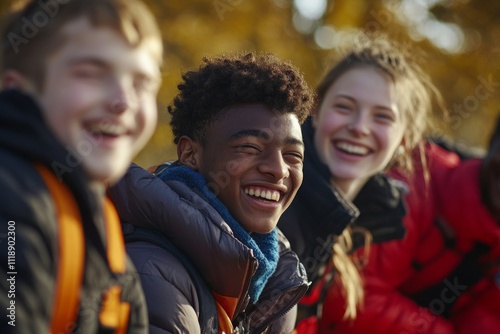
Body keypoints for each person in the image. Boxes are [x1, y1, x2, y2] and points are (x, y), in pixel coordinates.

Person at [108, 52, 314, 333]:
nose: (279, 170)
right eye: (250, 148)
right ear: (190, 154)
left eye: (293, 155)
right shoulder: (150, 272)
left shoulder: (273, 279)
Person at [0, 0, 163, 332]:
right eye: (91, 73)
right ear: (16, 89)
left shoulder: (103, 227)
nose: (123, 101)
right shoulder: (12, 200)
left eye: (142, 83)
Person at [277, 31, 445, 332]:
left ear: (404, 140)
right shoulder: (277, 201)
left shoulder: (371, 224)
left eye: (382, 117)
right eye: (344, 107)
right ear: (315, 111)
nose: (358, 128)